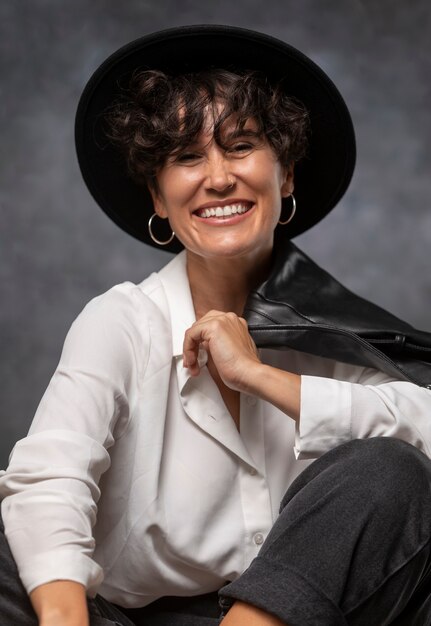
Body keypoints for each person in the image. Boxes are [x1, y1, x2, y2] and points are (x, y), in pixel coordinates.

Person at [1, 24, 431, 626]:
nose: (219, 177)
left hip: (295, 614)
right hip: (119, 618)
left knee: (393, 471)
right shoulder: (123, 321)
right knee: (17, 541)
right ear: (157, 196)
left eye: (240, 145)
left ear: (286, 176)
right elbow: (51, 477)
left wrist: (258, 375)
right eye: (185, 157)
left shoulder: (339, 333)